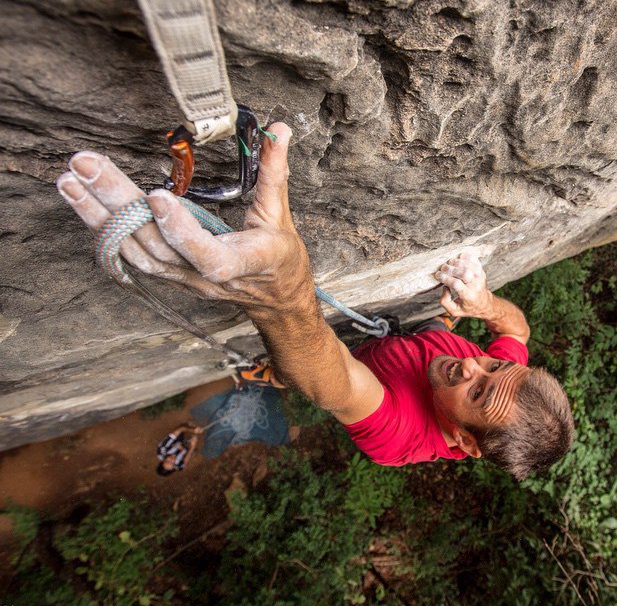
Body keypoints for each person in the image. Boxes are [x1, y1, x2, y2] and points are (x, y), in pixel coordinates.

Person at [56, 122, 574, 481]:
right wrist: (483, 304)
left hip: (343, 358)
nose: (469, 363)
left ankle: (268, 375)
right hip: (395, 338)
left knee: (288, 371)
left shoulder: (401, 437)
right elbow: (518, 332)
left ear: (463, 441)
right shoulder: (508, 385)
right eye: (488, 366)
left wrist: (279, 295)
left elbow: (336, 383)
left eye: (478, 394)